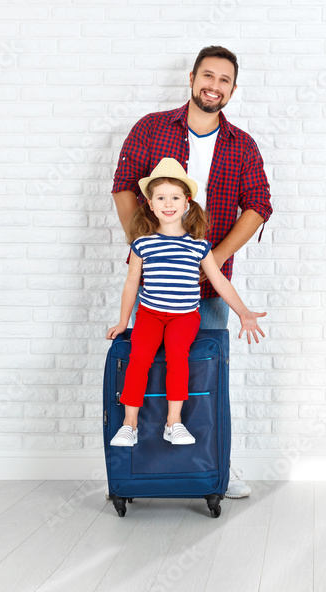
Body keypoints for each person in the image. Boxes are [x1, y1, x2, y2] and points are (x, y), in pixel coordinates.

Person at [112, 45, 271, 497]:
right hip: (155, 287)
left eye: (224, 80)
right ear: (191, 77)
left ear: (233, 90)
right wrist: (141, 243)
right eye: (208, 75)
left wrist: (214, 258)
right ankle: (145, 467)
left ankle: (213, 469)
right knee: (148, 366)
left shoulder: (242, 145)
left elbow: (259, 205)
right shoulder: (152, 128)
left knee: (203, 377)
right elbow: (124, 186)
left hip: (210, 288)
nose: (214, 85)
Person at [106, 158, 266, 447]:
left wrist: (243, 312)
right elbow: (132, 284)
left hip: (184, 317)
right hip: (150, 314)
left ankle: (173, 422)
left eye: (175, 197)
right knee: (139, 357)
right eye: (161, 198)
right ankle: (129, 424)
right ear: (150, 204)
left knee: (178, 358)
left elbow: (219, 281)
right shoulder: (142, 243)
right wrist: (122, 321)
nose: (168, 203)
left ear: (187, 202)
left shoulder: (198, 245)